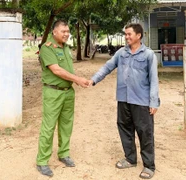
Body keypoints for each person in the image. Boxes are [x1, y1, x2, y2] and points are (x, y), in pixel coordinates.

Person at [89, 23, 160, 179]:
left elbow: (154, 80)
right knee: (125, 129)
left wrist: (154, 102)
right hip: (123, 98)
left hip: (141, 101)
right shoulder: (121, 53)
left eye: (129, 34)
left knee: (145, 133)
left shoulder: (148, 55)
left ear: (138, 35)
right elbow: (107, 67)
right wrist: (93, 80)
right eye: (126, 34)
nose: (127, 37)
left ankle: (149, 166)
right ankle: (130, 159)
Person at [36, 19, 90, 177]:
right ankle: (42, 161)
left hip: (68, 92)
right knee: (49, 127)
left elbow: (67, 69)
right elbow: (57, 70)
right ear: (54, 32)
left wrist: (74, 81)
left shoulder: (66, 48)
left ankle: (63, 154)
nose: (67, 34)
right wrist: (77, 79)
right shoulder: (47, 48)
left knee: (66, 125)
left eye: (68, 31)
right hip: (53, 93)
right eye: (63, 31)